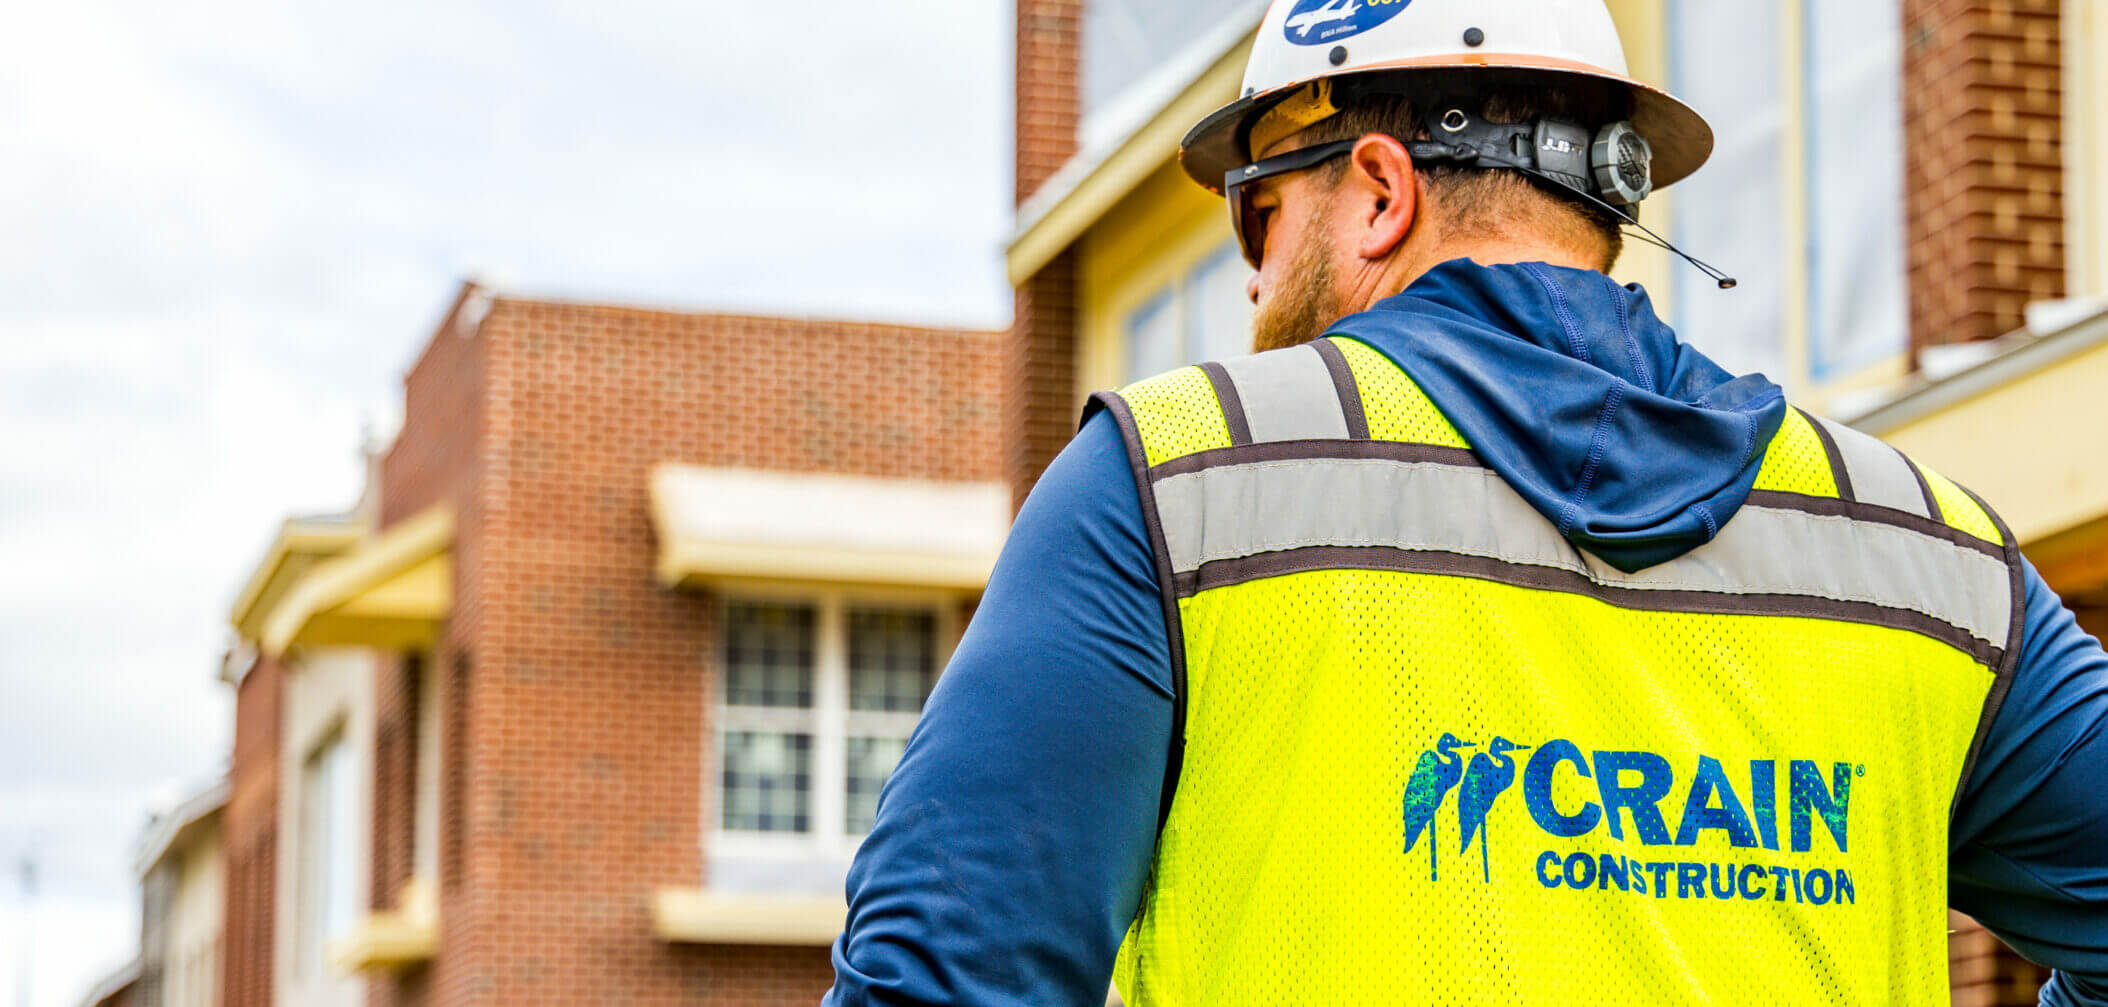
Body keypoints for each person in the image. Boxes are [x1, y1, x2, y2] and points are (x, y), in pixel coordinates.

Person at [826, 1, 2108, 1003]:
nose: (1254, 279)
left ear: (1379, 192)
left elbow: (941, 975)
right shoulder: (1923, 550)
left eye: (1255, 215)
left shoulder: (1176, 486)